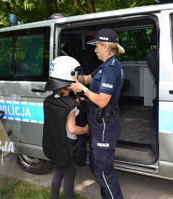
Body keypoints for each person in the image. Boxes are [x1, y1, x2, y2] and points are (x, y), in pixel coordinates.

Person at [69, 28, 125, 199]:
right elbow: (87, 78)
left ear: (106, 46)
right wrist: (71, 77)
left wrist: (83, 91)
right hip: (97, 121)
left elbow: (102, 100)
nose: (94, 50)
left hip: (104, 123)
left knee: (102, 170)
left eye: (96, 47)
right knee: (95, 165)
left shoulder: (111, 68)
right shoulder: (105, 65)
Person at [43, 56, 89, 199]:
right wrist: (87, 129)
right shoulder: (70, 107)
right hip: (68, 149)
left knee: (58, 174)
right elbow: (73, 129)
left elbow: (60, 110)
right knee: (69, 178)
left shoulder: (49, 100)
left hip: (55, 146)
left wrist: (74, 101)